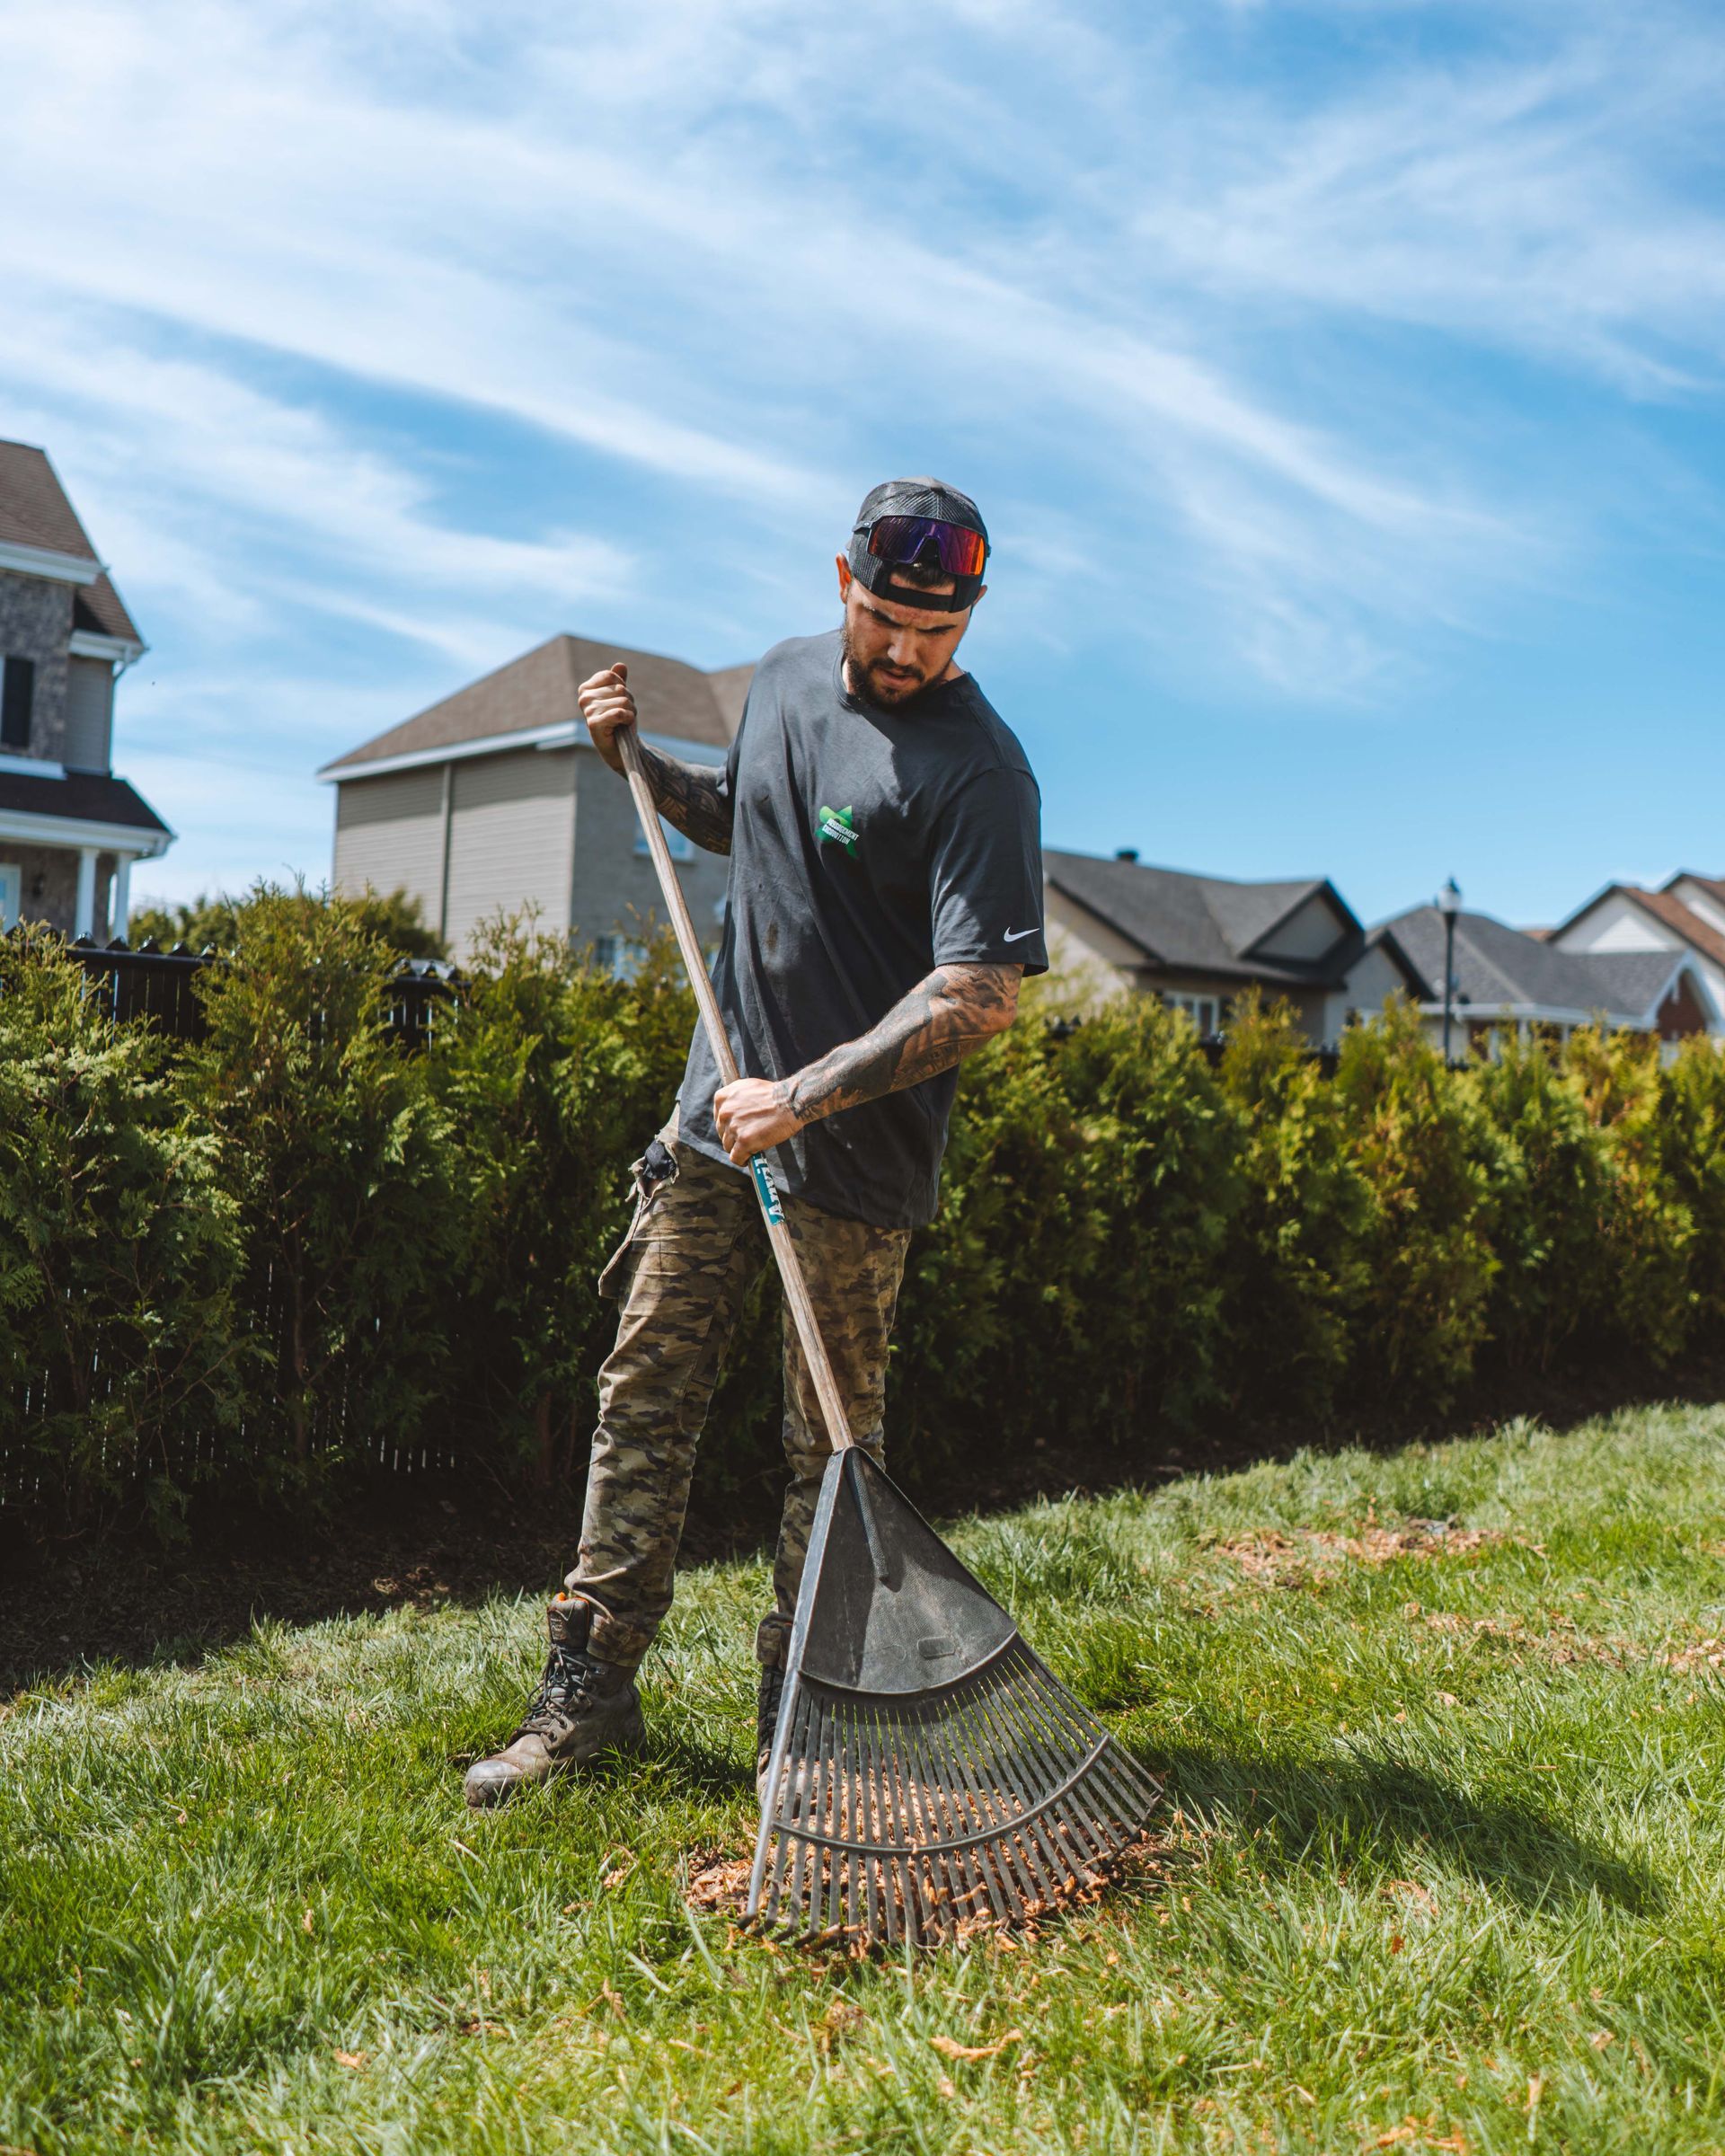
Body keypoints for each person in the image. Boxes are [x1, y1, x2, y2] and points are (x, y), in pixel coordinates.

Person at [464, 478, 1048, 1808]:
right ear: (844, 585)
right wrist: (641, 767)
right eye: (889, 619)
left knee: (827, 1451)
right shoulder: (784, 680)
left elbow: (980, 997)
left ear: (971, 620)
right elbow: (748, 818)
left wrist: (806, 1094)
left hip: (850, 1163)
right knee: (642, 1396)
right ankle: (586, 1697)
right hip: (711, 1128)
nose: (907, 652)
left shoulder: (981, 772)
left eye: (937, 632)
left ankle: (807, 1728)